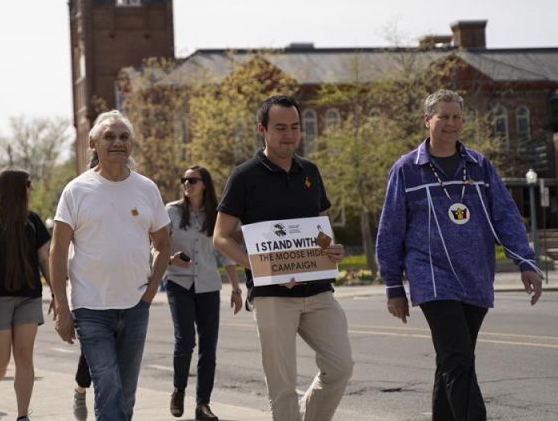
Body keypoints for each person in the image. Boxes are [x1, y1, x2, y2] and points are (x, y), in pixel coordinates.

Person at [375, 89, 543, 421]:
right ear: (427, 121)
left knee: (453, 361)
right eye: (443, 117)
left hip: (476, 276)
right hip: (432, 276)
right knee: (457, 358)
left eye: (456, 117)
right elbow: (390, 229)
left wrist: (526, 261)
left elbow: (506, 216)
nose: (450, 124)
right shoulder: (407, 170)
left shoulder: (479, 166)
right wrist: (393, 286)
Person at [213, 95, 352, 421]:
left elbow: (321, 227)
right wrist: (259, 266)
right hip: (272, 295)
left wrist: (332, 248)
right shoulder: (244, 176)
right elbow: (220, 236)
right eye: (280, 128)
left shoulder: (310, 171)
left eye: (294, 127)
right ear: (262, 129)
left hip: (317, 290)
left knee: (340, 366)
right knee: (282, 387)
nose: (289, 135)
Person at [50, 109, 172, 421]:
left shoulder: (147, 189)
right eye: (109, 136)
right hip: (91, 308)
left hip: (135, 306)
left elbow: (162, 243)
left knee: (126, 392)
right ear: (93, 144)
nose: (117, 142)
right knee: (107, 384)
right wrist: (62, 307)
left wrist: (150, 291)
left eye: (123, 137)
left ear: (131, 144)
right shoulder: (76, 191)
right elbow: (58, 249)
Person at [0, 168, 52, 421]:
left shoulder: (33, 220)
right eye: (28, 185)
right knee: (0, 363)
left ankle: (22, 415)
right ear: (15, 188)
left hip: (29, 297)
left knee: (24, 356)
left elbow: (44, 260)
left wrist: (58, 295)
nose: (31, 190)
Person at [165, 165, 242, 421]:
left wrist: (235, 289)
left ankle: (203, 405)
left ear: (204, 184)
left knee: (208, 348)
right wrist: (171, 259)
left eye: (193, 180)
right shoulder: (171, 212)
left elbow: (225, 253)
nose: (187, 184)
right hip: (179, 284)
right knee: (185, 340)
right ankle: (178, 390)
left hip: (208, 286)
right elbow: (155, 248)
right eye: (184, 180)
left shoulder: (217, 215)